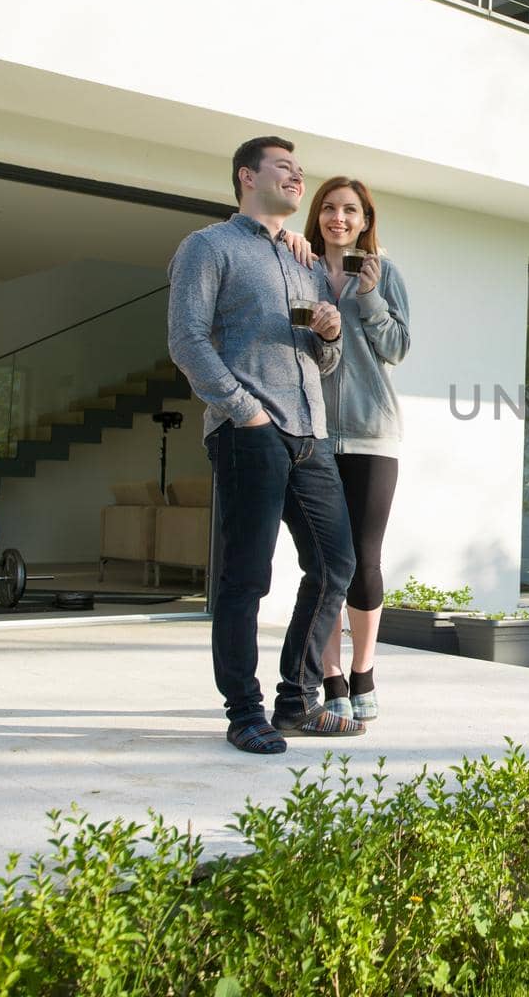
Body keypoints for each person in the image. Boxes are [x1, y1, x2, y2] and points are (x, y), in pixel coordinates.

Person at [167, 136, 367, 754]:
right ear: (247, 176)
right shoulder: (208, 247)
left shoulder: (307, 263)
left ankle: (294, 699)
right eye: (285, 167)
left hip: (310, 433)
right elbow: (187, 339)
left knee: (336, 564)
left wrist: (330, 333)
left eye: (299, 171)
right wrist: (244, 411)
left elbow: (322, 361)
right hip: (249, 432)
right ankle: (243, 711)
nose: (297, 178)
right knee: (246, 577)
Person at [295, 177, 410, 722]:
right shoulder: (300, 269)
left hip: (371, 434)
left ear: (366, 219)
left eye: (350, 210)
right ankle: (330, 674)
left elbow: (398, 348)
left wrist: (368, 296)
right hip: (313, 432)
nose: (338, 218)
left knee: (364, 559)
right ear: (317, 215)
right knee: (322, 562)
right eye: (330, 209)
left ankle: (363, 668)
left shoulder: (386, 274)